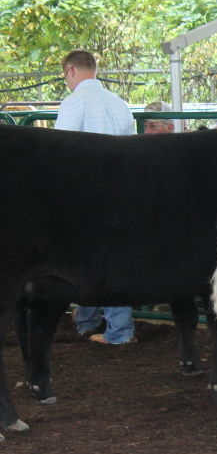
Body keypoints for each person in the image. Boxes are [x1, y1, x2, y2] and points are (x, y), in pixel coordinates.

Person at [56, 49, 137, 346]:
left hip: (85, 193)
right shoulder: (120, 104)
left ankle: (118, 330)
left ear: (71, 71)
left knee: (85, 259)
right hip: (121, 191)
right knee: (113, 258)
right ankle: (90, 321)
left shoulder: (72, 103)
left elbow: (62, 152)